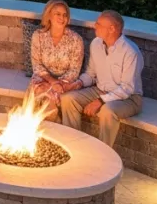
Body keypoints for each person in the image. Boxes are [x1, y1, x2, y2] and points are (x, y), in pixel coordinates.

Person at [58, 10, 143, 146]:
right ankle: (72, 145)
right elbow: (91, 74)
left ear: (112, 29)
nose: (94, 26)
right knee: (68, 99)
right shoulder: (96, 44)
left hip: (129, 98)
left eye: (99, 24)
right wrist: (77, 83)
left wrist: (100, 101)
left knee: (107, 111)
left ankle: (104, 156)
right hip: (100, 90)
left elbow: (127, 88)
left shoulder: (130, 52)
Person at [29, 0, 85, 116]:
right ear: (49, 15)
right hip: (43, 78)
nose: (62, 18)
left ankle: (50, 129)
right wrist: (52, 82)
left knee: (50, 97)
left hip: (66, 81)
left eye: (65, 15)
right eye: (58, 14)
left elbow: (74, 70)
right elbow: (37, 65)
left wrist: (58, 84)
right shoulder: (38, 36)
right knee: (33, 93)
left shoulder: (76, 39)